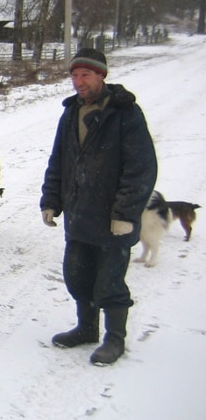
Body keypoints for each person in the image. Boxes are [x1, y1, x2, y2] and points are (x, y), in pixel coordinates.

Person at [40, 48, 157, 366]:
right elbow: (58, 161)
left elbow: (141, 168)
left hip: (111, 219)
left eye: (86, 75)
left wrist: (125, 214)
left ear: (101, 75)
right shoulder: (70, 113)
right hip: (79, 215)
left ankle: (114, 338)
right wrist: (51, 200)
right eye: (75, 76)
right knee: (77, 275)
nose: (79, 82)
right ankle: (87, 328)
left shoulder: (124, 113)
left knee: (109, 281)